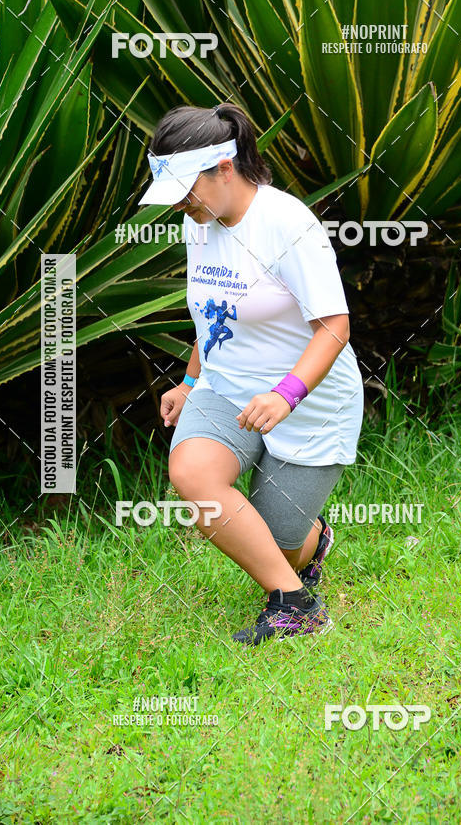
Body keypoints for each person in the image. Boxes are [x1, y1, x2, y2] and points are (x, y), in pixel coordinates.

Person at [141, 103, 364, 646]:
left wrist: (286, 395)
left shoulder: (286, 223)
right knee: (193, 476)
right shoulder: (201, 224)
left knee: (278, 537)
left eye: (186, 190)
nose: (182, 206)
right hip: (227, 386)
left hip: (309, 399)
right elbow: (213, 314)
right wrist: (190, 382)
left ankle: (309, 539)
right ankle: (295, 604)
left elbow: (335, 324)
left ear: (224, 168)